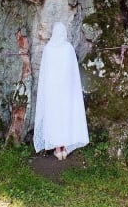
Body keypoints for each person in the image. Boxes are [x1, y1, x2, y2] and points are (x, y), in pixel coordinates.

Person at [33, 22, 89, 160]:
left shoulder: (48, 48)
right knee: (64, 117)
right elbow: (72, 72)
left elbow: (45, 73)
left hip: (53, 91)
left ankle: (58, 149)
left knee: (54, 118)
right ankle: (63, 147)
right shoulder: (68, 48)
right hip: (65, 90)